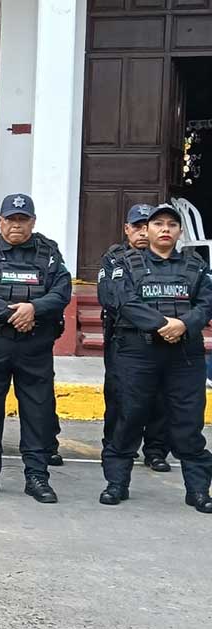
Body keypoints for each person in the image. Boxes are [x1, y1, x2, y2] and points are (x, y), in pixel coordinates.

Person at [101, 204, 212, 513]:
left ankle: (199, 490)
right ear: (145, 230)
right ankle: (116, 483)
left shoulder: (196, 266)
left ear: (179, 232)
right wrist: (162, 324)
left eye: (172, 225)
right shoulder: (125, 263)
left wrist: (184, 324)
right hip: (137, 353)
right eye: (158, 224)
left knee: (188, 423)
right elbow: (124, 302)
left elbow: (206, 303)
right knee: (129, 416)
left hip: (184, 354)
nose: (165, 229)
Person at [0, 193, 71, 503]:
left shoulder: (48, 251)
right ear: (0, 222)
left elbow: (62, 291)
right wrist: (15, 314)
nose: (16, 225)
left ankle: (37, 477)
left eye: (22, 220)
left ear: (32, 222)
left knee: (37, 412)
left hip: (34, 344)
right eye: (10, 219)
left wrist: (33, 309)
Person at [98, 203, 171, 473]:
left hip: (163, 337)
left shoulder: (168, 258)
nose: (141, 232)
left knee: (160, 395)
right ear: (126, 229)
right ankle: (114, 444)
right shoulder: (115, 258)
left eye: (146, 226)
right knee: (118, 393)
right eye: (136, 227)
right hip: (124, 336)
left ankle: (155, 450)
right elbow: (109, 296)